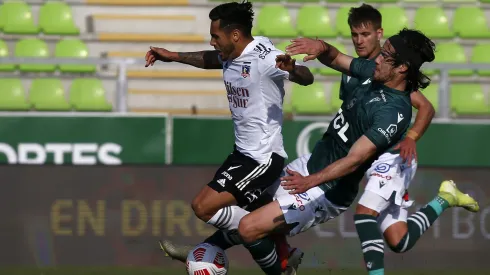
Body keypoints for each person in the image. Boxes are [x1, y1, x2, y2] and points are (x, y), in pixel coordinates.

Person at [236, 28, 478, 275]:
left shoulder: (393, 112)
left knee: (247, 227)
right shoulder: (373, 72)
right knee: (242, 209)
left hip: (325, 189)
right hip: (309, 166)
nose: (378, 58)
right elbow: (337, 57)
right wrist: (321, 47)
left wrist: (311, 181)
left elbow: (354, 159)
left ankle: (276, 266)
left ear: (402, 68)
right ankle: (254, 252)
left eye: (385, 55)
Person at [145, 1, 313, 274]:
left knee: (204, 207)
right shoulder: (229, 53)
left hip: (262, 157)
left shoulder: (265, 57)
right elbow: (212, 59)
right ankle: (279, 253)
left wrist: (293, 69)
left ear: (235, 35)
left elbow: (307, 78)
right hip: (242, 154)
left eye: (215, 36)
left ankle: (274, 259)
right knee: (246, 221)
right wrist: (173, 56)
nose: (212, 41)